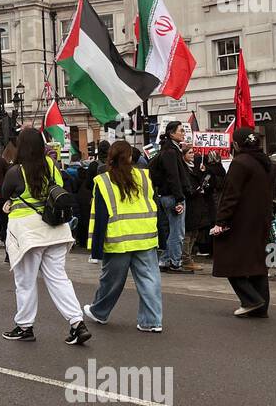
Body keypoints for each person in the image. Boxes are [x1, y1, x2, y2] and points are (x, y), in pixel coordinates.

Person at [0, 127, 90, 345]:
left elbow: (5, 193)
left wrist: (11, 202)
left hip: (28, 232)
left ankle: (25, 326)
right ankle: (77, 323)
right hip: (55, 228)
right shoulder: (51, 165)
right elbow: (58, 188)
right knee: (59, 279)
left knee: (26, 282)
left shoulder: (15, 171)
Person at [82, 139, 162, 331]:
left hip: (118, 239)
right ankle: (152, 321)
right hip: (145, 235)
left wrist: (96, 251)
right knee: (149, 280)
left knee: (111, 281)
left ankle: (100, 312)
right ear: (131, 157)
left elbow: (100, 215)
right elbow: (155, 204)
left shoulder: (103, 180)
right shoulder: (144, 176)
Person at [211, 126, 275, 318]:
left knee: (228, 258)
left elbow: (231, 195)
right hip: (260, 219)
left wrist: (221, 220)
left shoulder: (241, 163)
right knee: (256, 262)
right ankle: (260, 306)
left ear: (237, 144)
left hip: (240, 220)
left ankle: (251, 300)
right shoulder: (265, 162)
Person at [150, 120, 194, 272]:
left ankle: (165, 260)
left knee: (172, 231)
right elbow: (173, 176)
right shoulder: (170, 152)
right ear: (171, 133)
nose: (183, 133)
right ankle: (175, 263)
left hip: (167, 195)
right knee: (177, 232)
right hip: (172, 197)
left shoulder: (169, 150)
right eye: (181, 131)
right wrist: (180, 198)